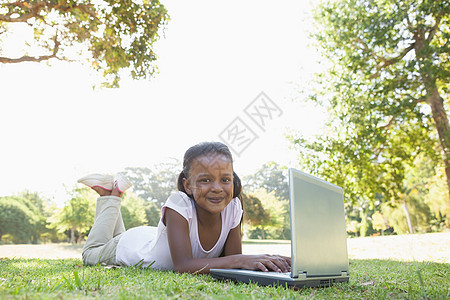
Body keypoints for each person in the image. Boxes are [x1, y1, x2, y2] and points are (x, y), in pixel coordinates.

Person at [79, 141, 291, 274]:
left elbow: (233, 263)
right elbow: (183, 266)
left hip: (149, 237)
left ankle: (113, 192)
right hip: (128, 246)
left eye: (225, 179)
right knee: (90, 254)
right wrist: (243, 260)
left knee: (113, 236)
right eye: (206, 180)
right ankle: (113, 195)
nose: (217, 188)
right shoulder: (178, 203)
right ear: (188, 185)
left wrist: (274, 261)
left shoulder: (233, 207)